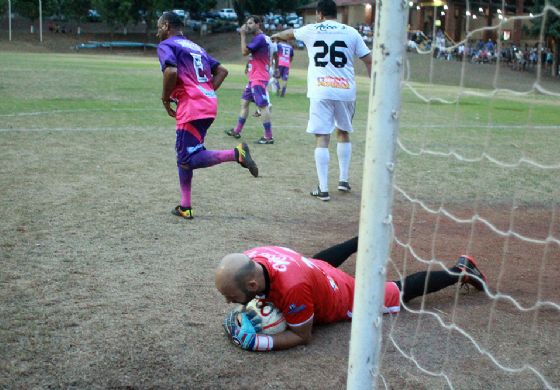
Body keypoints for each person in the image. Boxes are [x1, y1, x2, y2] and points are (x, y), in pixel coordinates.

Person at [215, 236, 488, 352]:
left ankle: (461, 269)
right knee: (308, 268)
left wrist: (261, 342)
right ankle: (364, 238)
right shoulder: (254, 258)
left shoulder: (293, 288)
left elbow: (302, 335)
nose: (229, 303)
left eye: (231, 297)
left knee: (399, 291)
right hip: (311, 270)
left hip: (343, 296)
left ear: (252, 285)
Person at [156, 12, 258, 220]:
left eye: (159, 26)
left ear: (166, 25)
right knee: (188, 155)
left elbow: (171, 72)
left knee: (186, 157)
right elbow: (222, 71)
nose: (157, 31)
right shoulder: (196, 47)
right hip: (207, 103)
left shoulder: (167, 45)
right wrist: (206, 92)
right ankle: (185, 207)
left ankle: (236, 154)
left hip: (191, 105)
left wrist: (165, 98)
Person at [272, 0, 372, 201]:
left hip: (320, 90)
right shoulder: (351, 32)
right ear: (337, 14)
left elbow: (289, 34)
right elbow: (368, 59)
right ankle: (343, 180)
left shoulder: (311, 30)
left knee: (322, 137)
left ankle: (324, 189)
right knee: (343, 132)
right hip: (345, 90)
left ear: (319, 14)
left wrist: (275, 35)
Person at [225, 16, 274, 145]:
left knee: (262, 106)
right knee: (244, 102)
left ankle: (268, 137)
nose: (248, 26)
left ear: (258, 24)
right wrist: (250, 64)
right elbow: (256, 55)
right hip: (254, 76)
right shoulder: (261, 39)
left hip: (259, 77)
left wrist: (242, 35)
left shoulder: (259, 38)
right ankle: (237, 130)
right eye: (247, 23)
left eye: (251, 23)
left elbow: (244, 52)